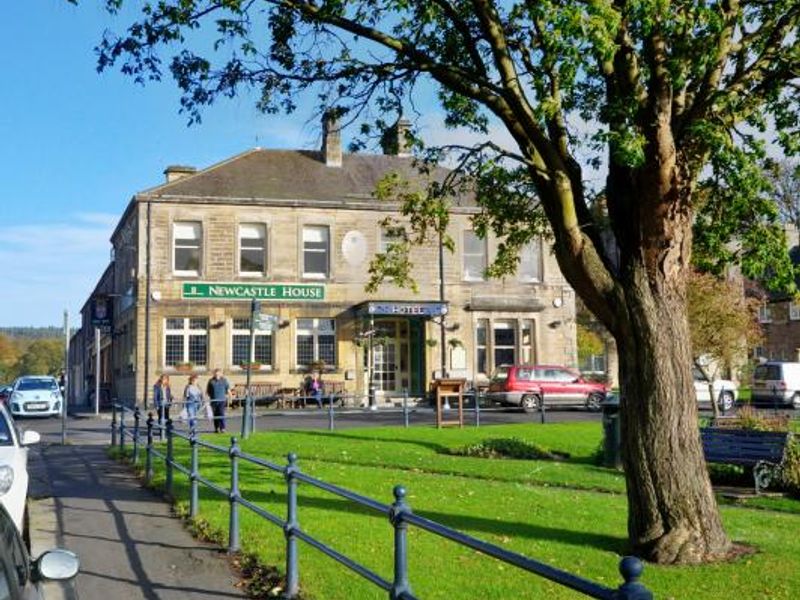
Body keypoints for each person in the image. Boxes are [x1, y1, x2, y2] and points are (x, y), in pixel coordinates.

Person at [206, 368, 231, 433]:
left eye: (218, 373)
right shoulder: (211, 381)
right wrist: (208, 399)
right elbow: (208, 391)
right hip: (213, 401)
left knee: (221, 413)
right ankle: (216, 428)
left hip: (221, 401)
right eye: (216, 373)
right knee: (215, 415)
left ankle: (223, 428)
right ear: (214, 374)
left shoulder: (224, 381)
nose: (217, 374)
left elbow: (228, 390)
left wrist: (230, 398)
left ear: (221, 374)